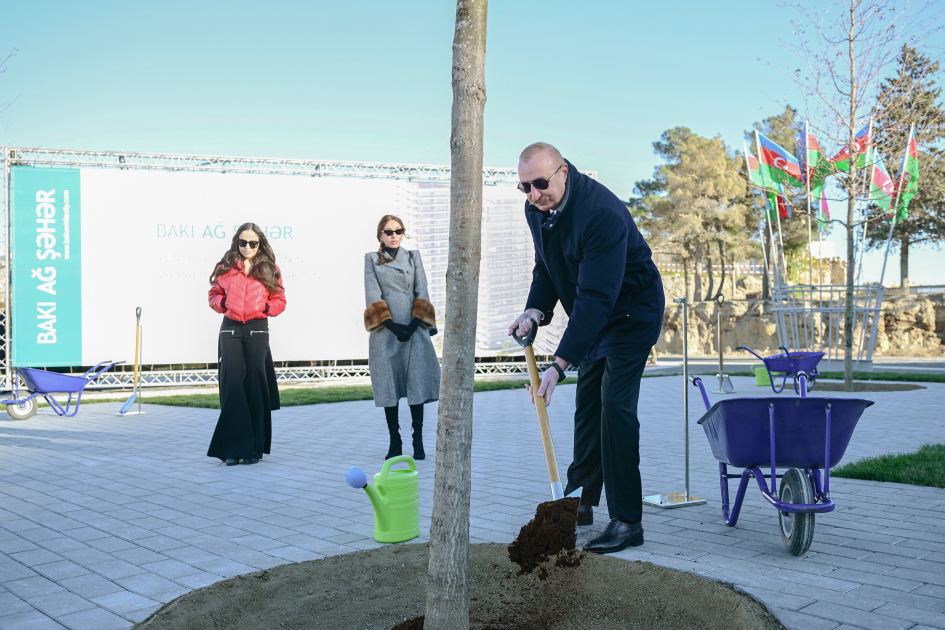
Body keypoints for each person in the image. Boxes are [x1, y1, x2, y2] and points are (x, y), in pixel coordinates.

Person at [508, 142, 664, 554]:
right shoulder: (536, 208)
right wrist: (534, 311)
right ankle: (581, 499)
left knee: (614, 406)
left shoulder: (601, 214)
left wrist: (558, 365)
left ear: (563, 171)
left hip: (631, 314)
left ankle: (628, 520)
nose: (533, 195)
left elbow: (597, 298)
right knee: (588, 407)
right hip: (594, 314)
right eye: (524, 187)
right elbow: (548, 266)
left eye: (541, 184)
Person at [207, 223, 286, 466]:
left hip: (257, 328)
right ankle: (232, 448)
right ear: (236, 242)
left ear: (260, 243)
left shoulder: (270, 269)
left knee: (254, 383)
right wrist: (224, 304)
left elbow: (280, 301)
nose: (247, 247)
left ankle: (252, 448)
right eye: (243, 242)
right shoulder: (225, 267)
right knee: (233, 385)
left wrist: (264, 308)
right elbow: (213, 294)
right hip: (230, 328)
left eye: (253, 243)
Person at [363, 215, 440, 461]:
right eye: (388, 231)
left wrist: (415, 323)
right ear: (380, 235)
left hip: (414, 329)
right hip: (386, 332)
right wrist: (392, 326)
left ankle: (417, 439)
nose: (394, 235)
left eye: (399, 230)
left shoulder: (413, 256)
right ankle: (394, 440)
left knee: (416, 383)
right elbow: (372, 294)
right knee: (389, 385)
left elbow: (422, 288)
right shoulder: (371, 259)